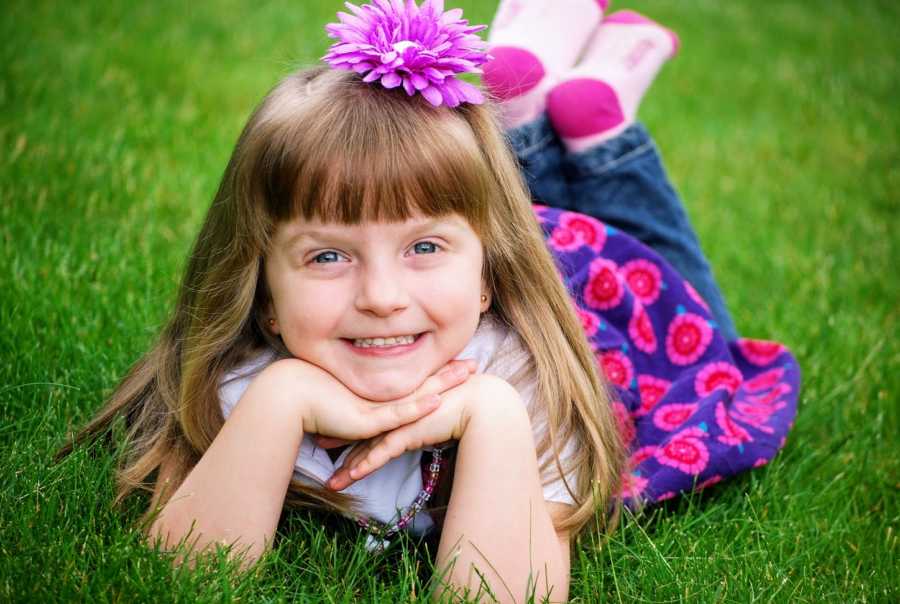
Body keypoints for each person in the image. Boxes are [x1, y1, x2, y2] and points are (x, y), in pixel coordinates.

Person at [58, 1, 799, 601]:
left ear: (487, 281)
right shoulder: (241, 378)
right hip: (474, 250)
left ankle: (601, 125)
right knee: (470, 192)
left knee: (694, 309)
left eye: (419, 248)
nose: (381, 298)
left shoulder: (530, 377)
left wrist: (490, 412)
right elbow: (183, 578)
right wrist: (283, 396)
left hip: (605, 292)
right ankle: (529, 99)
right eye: (326, 256)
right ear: (264, 291)